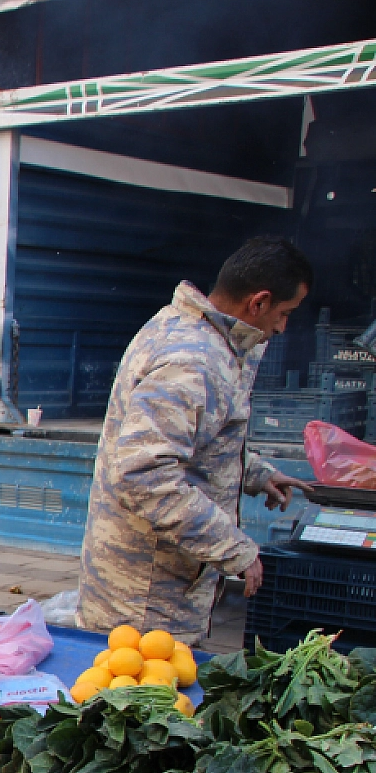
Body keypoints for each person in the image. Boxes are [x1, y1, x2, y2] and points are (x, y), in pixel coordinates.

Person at [78, 236, 316, 643]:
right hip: (146, 600)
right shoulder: (194, 359)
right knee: (140, 700)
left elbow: (194, 440)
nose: (282, 327)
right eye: (284, 312)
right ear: (257, 302)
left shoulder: (188, 328)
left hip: (159, 589)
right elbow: (144, 476)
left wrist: (253, 473)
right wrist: (233, 548)